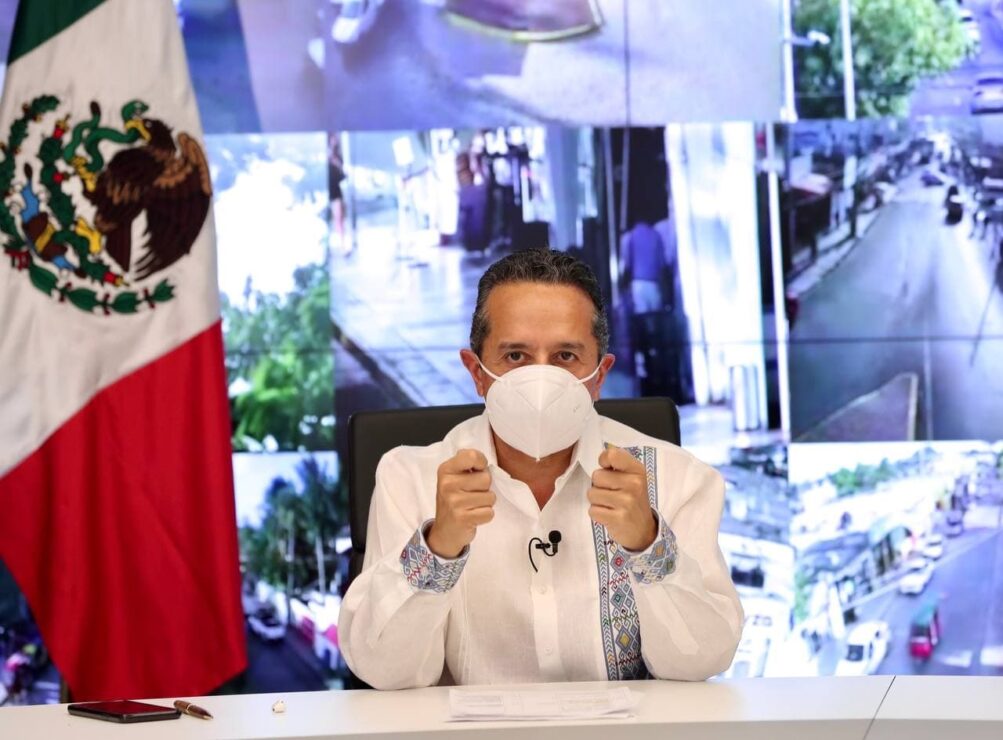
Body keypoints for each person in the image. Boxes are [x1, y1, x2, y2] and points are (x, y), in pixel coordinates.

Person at [339, 249, 743, 689]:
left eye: (566, 356)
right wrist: (437, 549)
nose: (541, 380)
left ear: (599, 375)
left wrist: (649, 544)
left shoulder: (676, 479)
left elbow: (702, 660)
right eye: (515, 356)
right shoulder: (411, 479)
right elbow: (385, 672)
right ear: (477, 372)